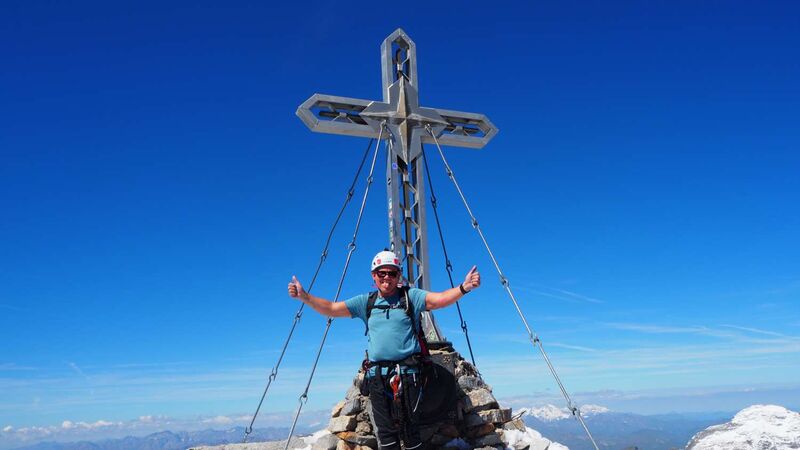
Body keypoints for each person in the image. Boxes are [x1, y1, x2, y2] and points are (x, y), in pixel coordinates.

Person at [288, 250, 481, 450]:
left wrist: (464, 287)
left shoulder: (410, 297)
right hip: (377, 378)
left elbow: (439, 300)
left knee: (411, 430)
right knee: (386, 433)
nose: (387, 277)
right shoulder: (366, 302)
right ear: (374, 276)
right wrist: (305, 297)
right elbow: (331, 308)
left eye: (392, 273)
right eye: (382, 273)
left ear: (399, 276)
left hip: (409, 376)